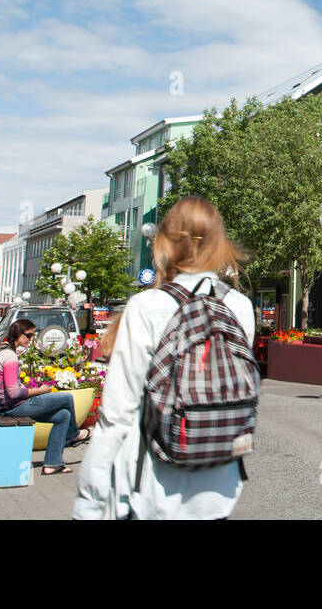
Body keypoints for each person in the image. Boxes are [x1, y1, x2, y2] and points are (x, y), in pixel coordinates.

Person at [74, 195, 257, 519]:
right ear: (219, 243)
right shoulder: (240, 307)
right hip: (220, 489)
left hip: (153, 488)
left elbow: (117, 415)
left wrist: (89, 501)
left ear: (165, 241)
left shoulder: (147, 306)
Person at [0, 319, 88, 476]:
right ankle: (74, 434)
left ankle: (53, 464)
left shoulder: (0, 349)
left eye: (33, 335)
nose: (31, 339)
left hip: (6, 403)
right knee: (67, 398)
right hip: (15, 405)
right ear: (18, 334)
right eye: (28, 335)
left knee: (63, 416)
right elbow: (13, 392)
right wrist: (40, 390)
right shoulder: (10, 357)